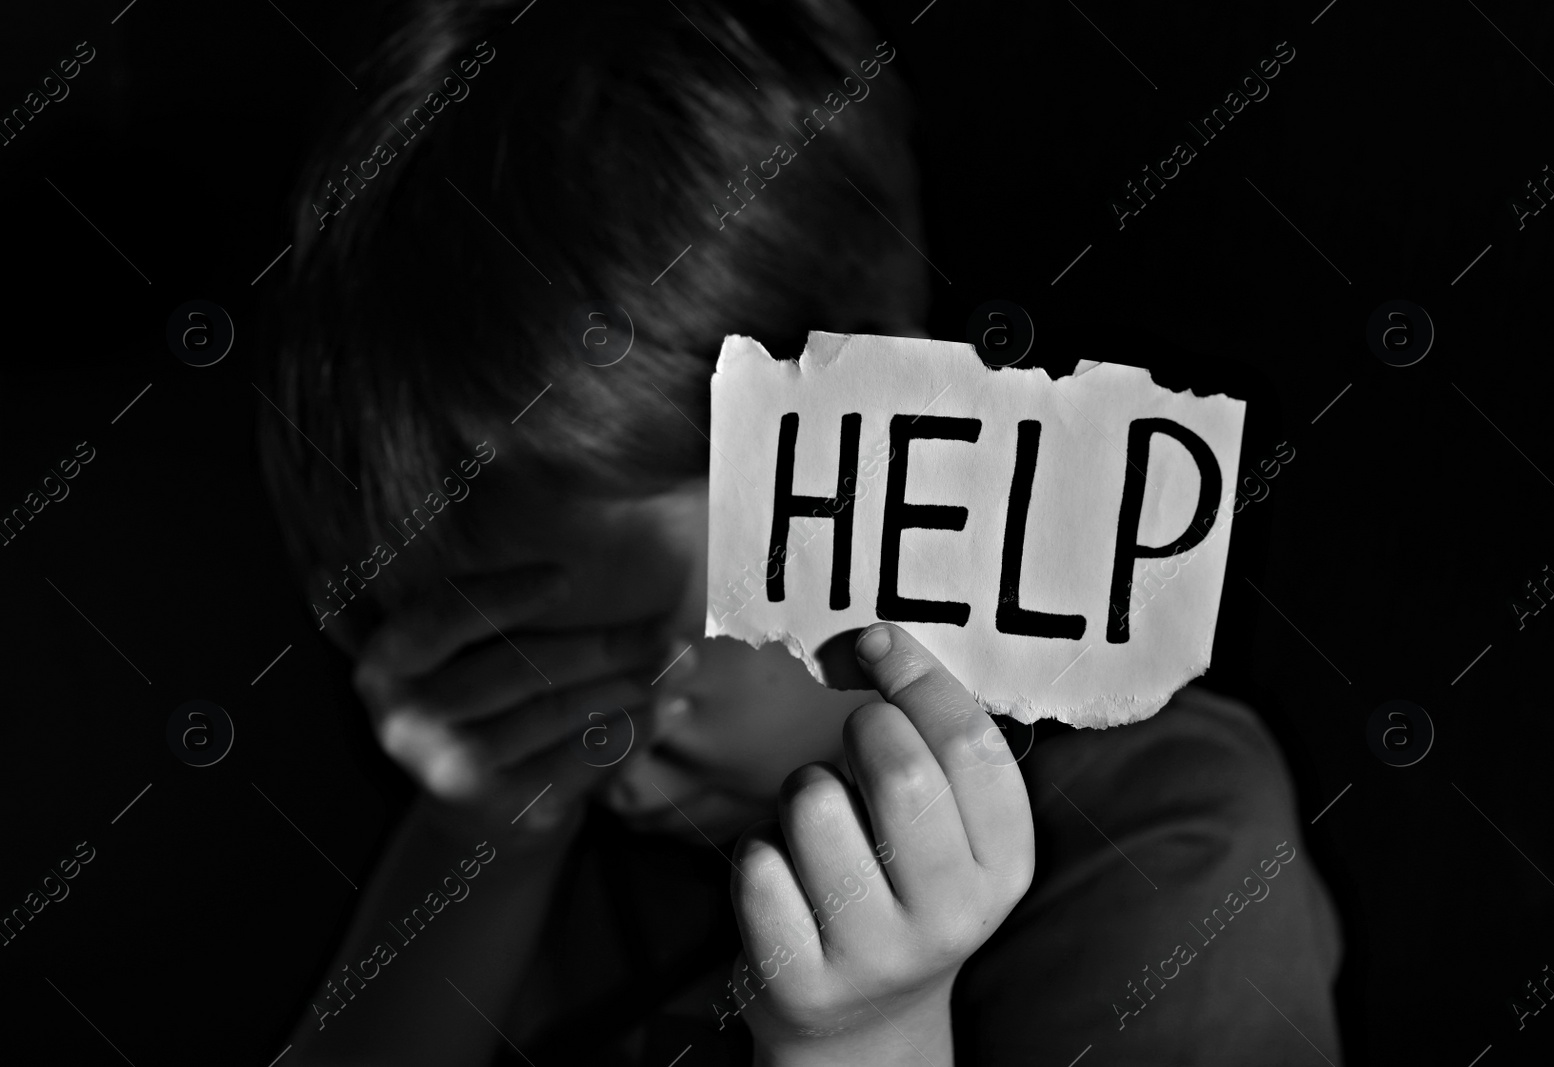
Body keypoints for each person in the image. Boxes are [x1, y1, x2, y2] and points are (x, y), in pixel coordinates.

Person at [259, 1, 1343, 1063]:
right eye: (476, 657)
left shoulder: (1167, 842)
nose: (592, 742)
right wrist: (470, 847)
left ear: (876, 453)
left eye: (627, 642)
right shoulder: (516, 821)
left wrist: (870, 1035)